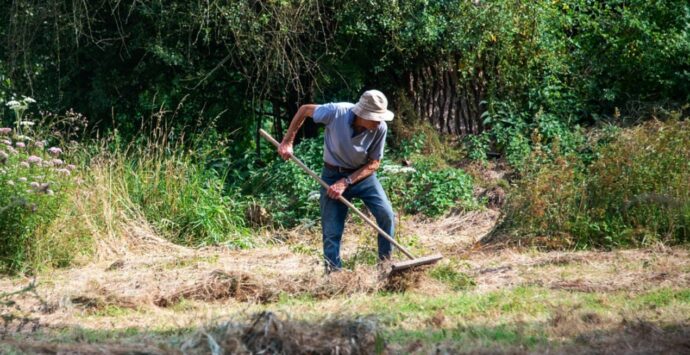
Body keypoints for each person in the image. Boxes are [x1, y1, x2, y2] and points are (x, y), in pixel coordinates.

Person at [278, 90, 396, 273]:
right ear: (362, 114)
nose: (378, 121)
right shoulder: (336, 112)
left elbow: (374, 163)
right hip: (332, 175)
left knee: (386, 214)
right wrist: (287, 141)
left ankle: (386, 268)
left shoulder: (380, 128)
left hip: (362, 176)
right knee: (331, 230)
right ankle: (335, 276)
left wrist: (347, 181)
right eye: (375, 117)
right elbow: (304, 110)